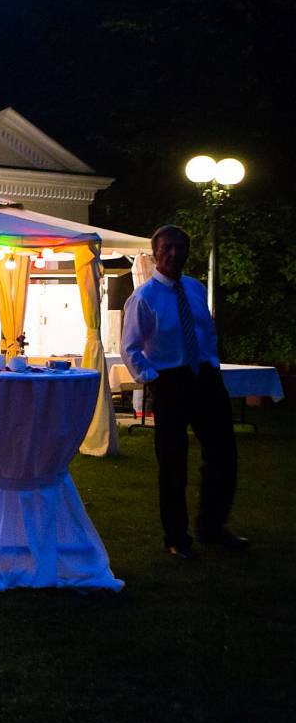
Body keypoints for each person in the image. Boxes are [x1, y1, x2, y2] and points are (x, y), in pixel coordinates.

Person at [122, 224, 244, 560]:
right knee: (173, 462)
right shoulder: (144, 298)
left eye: (180, 247)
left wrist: (211, 362)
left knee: (223, 454)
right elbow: (130, 347)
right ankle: (176, 536)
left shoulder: (193, 288)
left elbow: (206, 330)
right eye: (167, 248)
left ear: (187, 251)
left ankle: (212, 526)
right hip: (171, 381)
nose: (174, 254)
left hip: (204, 378)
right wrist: (153, 378)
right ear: (156, 253)